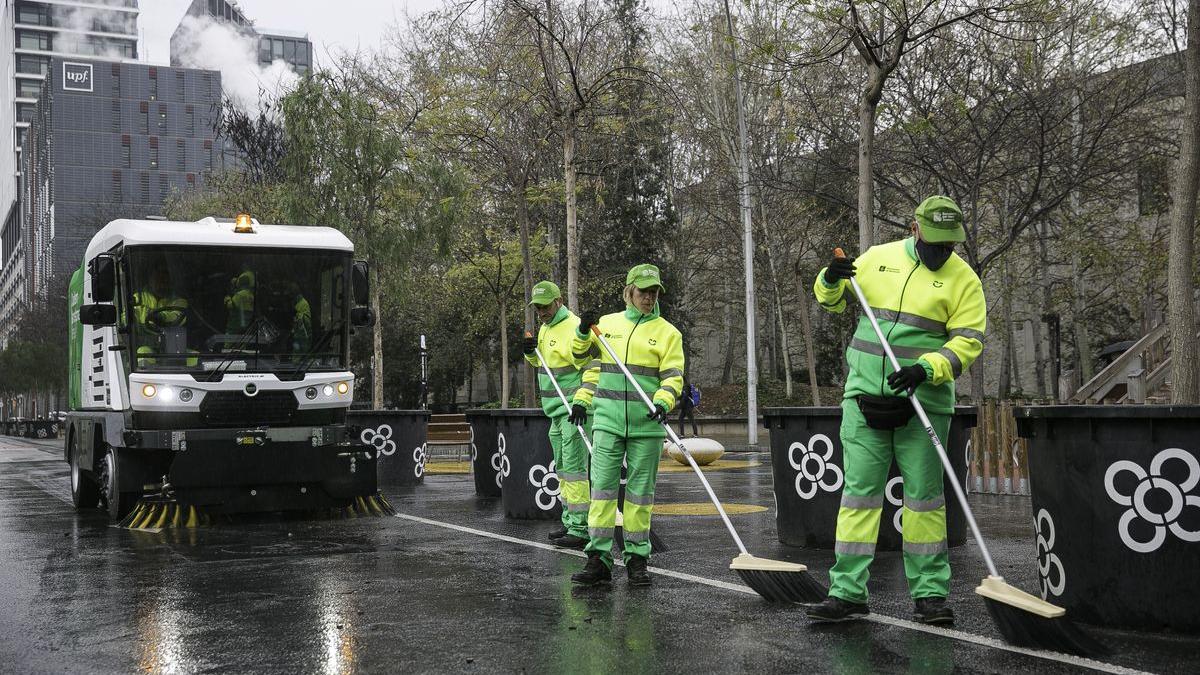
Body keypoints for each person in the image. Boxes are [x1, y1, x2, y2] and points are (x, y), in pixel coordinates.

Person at [806, 195, 986, 626]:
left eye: (950, 245)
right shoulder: (876, 259)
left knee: (924, 502)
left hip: (924, 403)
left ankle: (930, 595)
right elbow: (830, 300)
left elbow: (968, 342)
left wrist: (927, 369)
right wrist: (830, 279)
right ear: (915, 228)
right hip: (864, 399)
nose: (942, 252)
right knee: (858, 498)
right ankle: (846, 593)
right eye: (936, 241)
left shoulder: (965, 281)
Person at [568, 263, 684, 587]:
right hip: (606, 421)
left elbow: (673, 377)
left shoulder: (668, 333)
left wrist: (664, 401)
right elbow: (585, 363)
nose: (649, 297)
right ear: (629, 290)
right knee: (602, 493)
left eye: (654, 292)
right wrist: (581, 398)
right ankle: (598, 559)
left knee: (639, 496)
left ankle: (636, 560)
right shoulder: (606, 326)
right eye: (643, 291)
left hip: (647, 426)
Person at [522, 280, 591, 549]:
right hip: (554, 411)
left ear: (559, 301)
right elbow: (544, 364)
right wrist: (530, 355)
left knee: (574, 469)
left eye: (545, 306)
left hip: (572, 410)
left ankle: (581, 526)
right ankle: (570, 519)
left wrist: (582, 402)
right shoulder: (545, 328)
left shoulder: (573, 327)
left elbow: (587, 367)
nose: (541, 312)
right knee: (563, 469)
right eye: (537, 308)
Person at [133, 267, 188, 365]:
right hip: (146, 344)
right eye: (158, 279)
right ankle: (146, 377)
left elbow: (177, 316)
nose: (162, 284)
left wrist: (160, 316)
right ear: (150, 280)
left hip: (174, 347)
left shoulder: (179, 301)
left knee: (195, 357)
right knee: (143, 354)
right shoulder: (138, 298)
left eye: (165, 280)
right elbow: (125, 318)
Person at [224, 268, 255, 334]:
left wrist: (227, 298)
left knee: (229, 343)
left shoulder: (239, 295)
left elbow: (230, 306)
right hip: (246, 327)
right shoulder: (251, 295)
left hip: (235, 326)